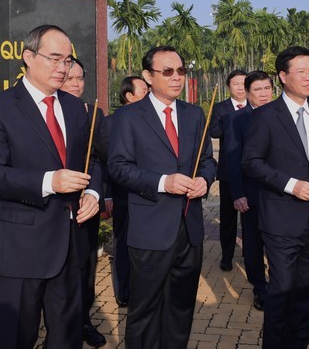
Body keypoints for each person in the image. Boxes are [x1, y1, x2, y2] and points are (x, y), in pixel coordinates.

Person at [0, 24, 101, 349]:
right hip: (20, 249)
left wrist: (93, 192)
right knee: (17, 339)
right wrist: (50, 181)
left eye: (69, 60)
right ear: (28, 57)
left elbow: (93, 160)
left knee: (67, 339)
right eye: (55, 58)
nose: (63, 68)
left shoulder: (75, 108)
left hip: (71, 246)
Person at [108, 46, 216, 349]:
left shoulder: (194, 114)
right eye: (167, 71)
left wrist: (204, 180)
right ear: (148, 76)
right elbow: (118, 167)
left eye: (181, 71)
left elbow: (207, 159)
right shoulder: (128, 117)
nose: (176, 77)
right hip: (150, 229)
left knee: (181, 308)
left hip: (189, 229)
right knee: (144, 309)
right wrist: (162, 182)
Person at [242, 46, 309, 348]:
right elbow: (251, 162)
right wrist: (291, 184)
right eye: (302, 71)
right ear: (283, 76)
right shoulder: (265, 116)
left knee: (306, 296)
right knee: (281, 294)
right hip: (281, 221)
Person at [60, 58, 106, 348]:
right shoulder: (44, 112)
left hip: (84, 207)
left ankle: (84, 320)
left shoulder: (94, 113)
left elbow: (101, 158)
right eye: (69, 79)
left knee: (86, 268)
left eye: (80, 78)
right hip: (51, 209)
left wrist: (96, 193)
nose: (76, 84)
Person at [223, 71, 272, 310]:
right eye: (258, 90)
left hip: (278, 193)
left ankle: (278, 285)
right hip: (250, 193)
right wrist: (237, 193)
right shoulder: (237, 119)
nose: (263, 94)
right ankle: (260, 289)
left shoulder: (280, 114)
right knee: (253, 243)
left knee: (277, 241)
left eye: (267, 89)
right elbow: (233, 159)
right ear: (248, 92)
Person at [105, 76, 149, 308]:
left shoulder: (152, 118)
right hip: (124, 196)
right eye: (143, 90)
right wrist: (107, 195)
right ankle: (123, 291)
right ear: (129, 96)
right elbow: (105, 162)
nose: (148, 93)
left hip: (150, 196)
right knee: (123, 244)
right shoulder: (113, 122)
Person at [209, 69, 247, 271]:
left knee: (251, 218)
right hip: (228, 170)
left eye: (243, 83)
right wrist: (235, 120)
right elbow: (214, 131)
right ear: (228, 87)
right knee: (228, 218)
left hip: (251, 170)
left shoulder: (255, 106)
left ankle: (250, 253)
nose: (240, 88)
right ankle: (226, 256)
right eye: (236, 84)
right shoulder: (221, 108)